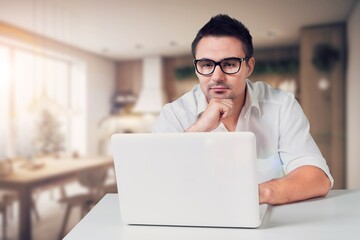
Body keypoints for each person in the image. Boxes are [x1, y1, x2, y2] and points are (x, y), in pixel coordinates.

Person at [152, 14, 333, 205]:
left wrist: (257, 194)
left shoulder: (282, 106)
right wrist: (199, 128)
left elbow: (317, 177)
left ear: (249, 66)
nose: (217, 76)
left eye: (229, 64)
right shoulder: (174, 114)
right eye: (206, 65)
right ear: (197, 68)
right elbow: (154, 179)